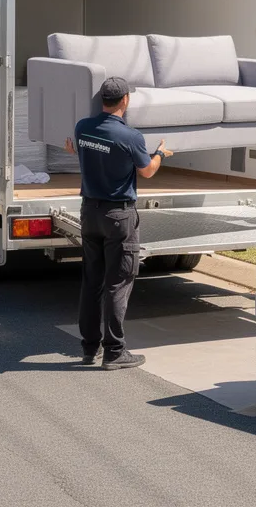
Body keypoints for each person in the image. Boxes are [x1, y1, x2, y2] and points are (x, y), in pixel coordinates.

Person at [64, 77, 173, 370]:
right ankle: (114, 352)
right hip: (118, 217)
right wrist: (161, 153)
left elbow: (81, 149)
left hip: (90, 214)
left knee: (92, 283)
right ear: (125, 100)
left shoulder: (83, 127)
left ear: (103, 99)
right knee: (118, 283)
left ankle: (89, 349)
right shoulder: (131, 137)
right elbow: (148, 171)